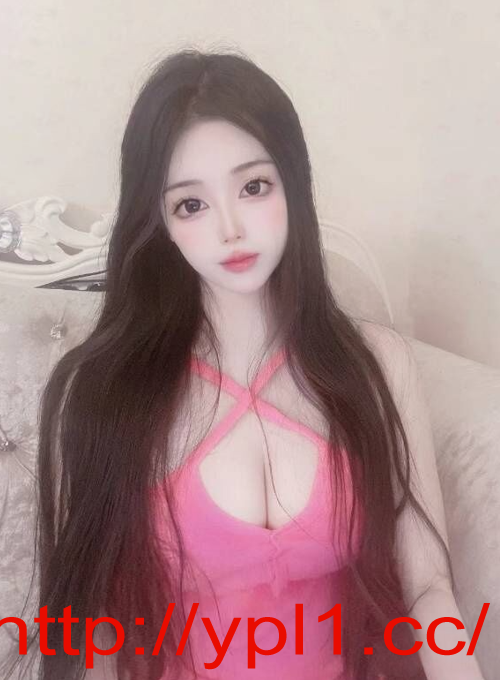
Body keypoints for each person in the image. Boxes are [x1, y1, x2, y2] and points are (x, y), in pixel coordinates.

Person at [5, 48, 485, 680]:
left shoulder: (376, 366)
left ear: (293, 186)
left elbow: (428, 588)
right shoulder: (102, 391)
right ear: (160, 221)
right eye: (191, 204)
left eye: (253, 187)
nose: (230, 228)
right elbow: (90, 628)